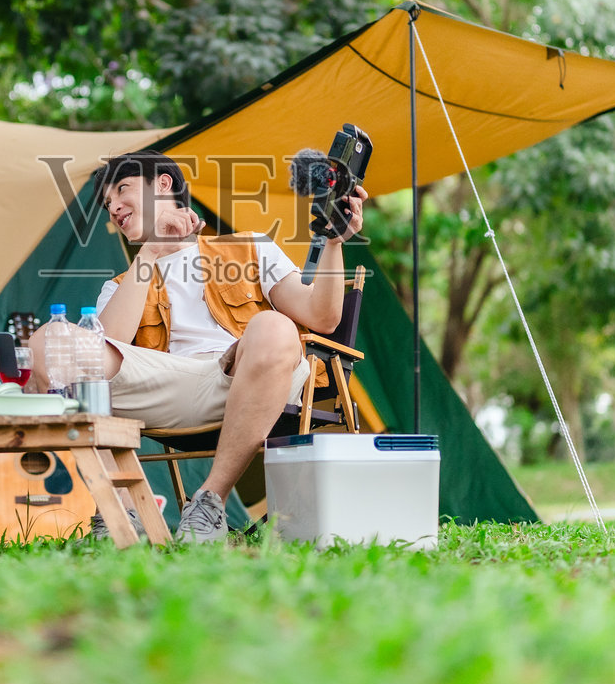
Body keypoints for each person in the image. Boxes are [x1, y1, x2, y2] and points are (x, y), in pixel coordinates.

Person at [29, 151, 366, 543]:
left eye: (122, 189)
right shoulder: (120, 285)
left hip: (250, 374)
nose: (114, 207)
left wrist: (333, 242)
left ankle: (209, 503)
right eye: (107, 204)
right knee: (49, 342)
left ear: (163, 184)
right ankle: (119, 509)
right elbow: (102, 353)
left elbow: (322, 318)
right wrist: (150, 252)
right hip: (167, 388)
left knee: (274, 326)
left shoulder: (250, 247)